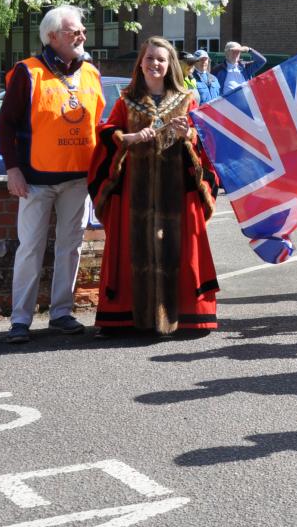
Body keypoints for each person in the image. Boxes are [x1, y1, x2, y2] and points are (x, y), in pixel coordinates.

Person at [88, 36, 220, 336]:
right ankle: (131, 319)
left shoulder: (188, 100)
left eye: (161, 59)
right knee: (133, 251)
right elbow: (108, 133)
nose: (154, 64)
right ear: (141, 63)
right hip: (136, 193)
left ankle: (186, 317)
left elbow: (205, 147)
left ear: (170, 64)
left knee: (182, 253)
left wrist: (189, 135)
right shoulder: (126, 100)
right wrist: (128, 139)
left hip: (177, 194)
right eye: (149, 58)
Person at [0, 5, 106, 344]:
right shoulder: (27, 72)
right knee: (30, 248)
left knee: (71, 247)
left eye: (82, 30)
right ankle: (20, 319)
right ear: (52, 36)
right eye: (75, 31)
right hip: (34, 180)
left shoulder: (91, 72)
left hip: (78, 179)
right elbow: (6, 125)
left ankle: (61, 312)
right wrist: (12, 169)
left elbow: (99, 124)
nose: (82, 35)